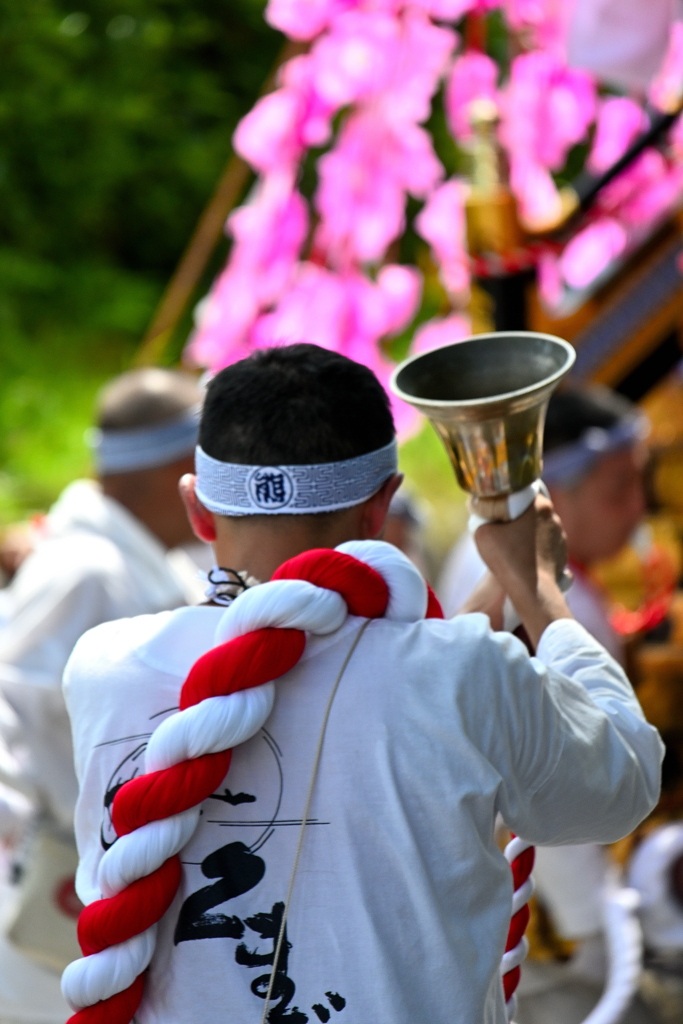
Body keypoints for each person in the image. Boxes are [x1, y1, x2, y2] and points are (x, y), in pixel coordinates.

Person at [62, 345, 661, 1024]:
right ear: (382, 508)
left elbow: (373, 688)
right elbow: (620, 784)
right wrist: (537, 590)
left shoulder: (104, 666)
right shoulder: (460, 675)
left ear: (198, 510)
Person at [439, 384, 652, 1022]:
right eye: (620, 490)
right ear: (557, 499)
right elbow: (552, 768)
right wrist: (594, 931)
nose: (639, 509)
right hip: (547, 920)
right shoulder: (544, 602)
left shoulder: (500, 567)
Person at [0, 368, 206, 1024]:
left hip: (103, 882)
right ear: (182, 466)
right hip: (45, 892)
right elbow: (8, 705)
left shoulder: (157, 563)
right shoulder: (85, 568)